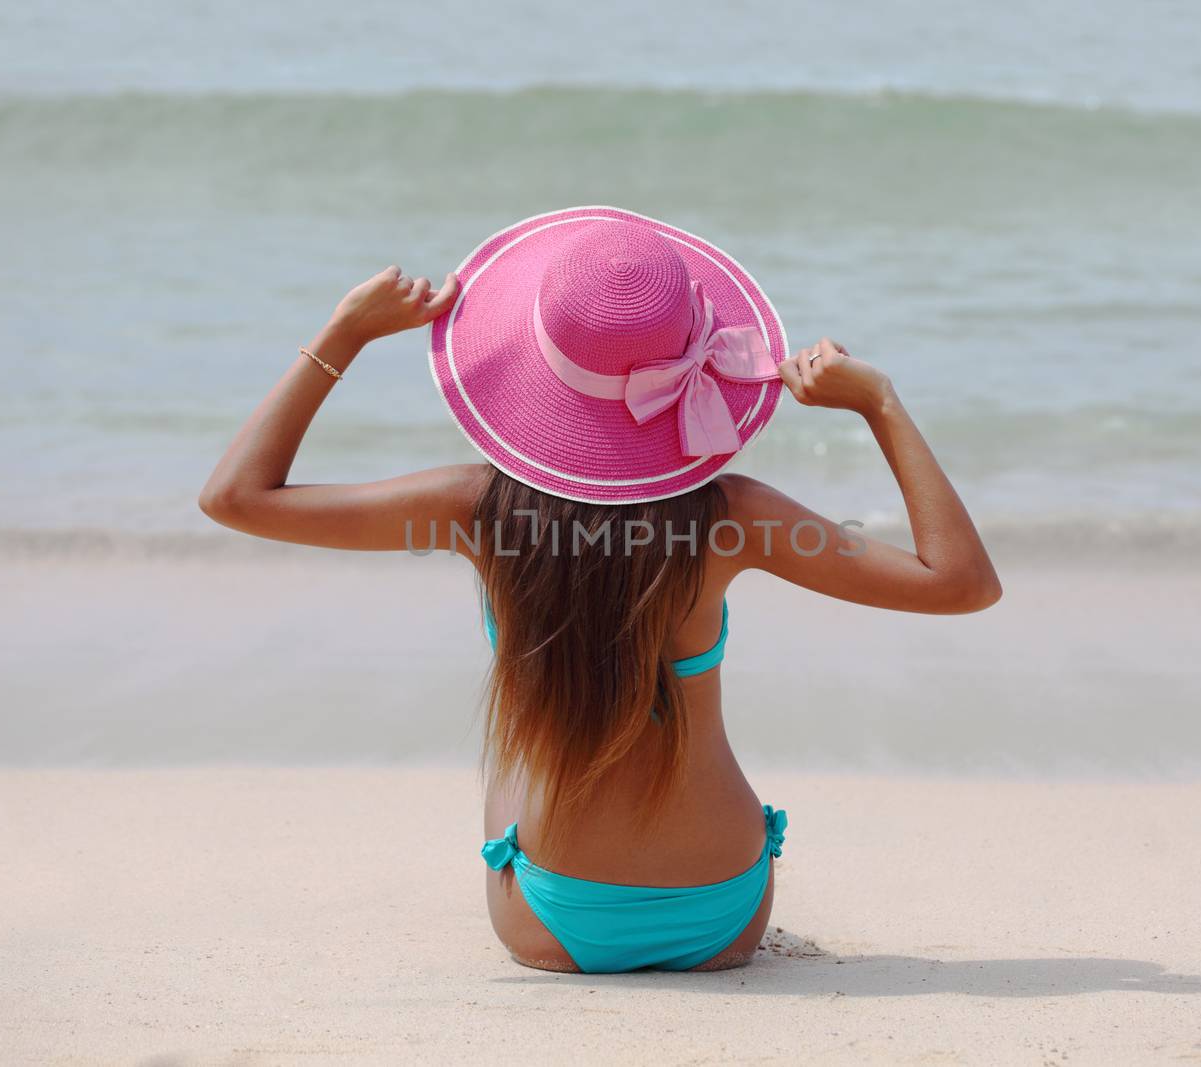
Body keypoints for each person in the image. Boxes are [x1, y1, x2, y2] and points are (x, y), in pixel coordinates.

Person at [199, 207, 1001, 974]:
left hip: (556, 912)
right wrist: (879, 404)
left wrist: (346, 334)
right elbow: (962, 583)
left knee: (516, 768)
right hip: (721, 910)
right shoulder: (734, 517)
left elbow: (235, 497)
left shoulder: (475, 510)